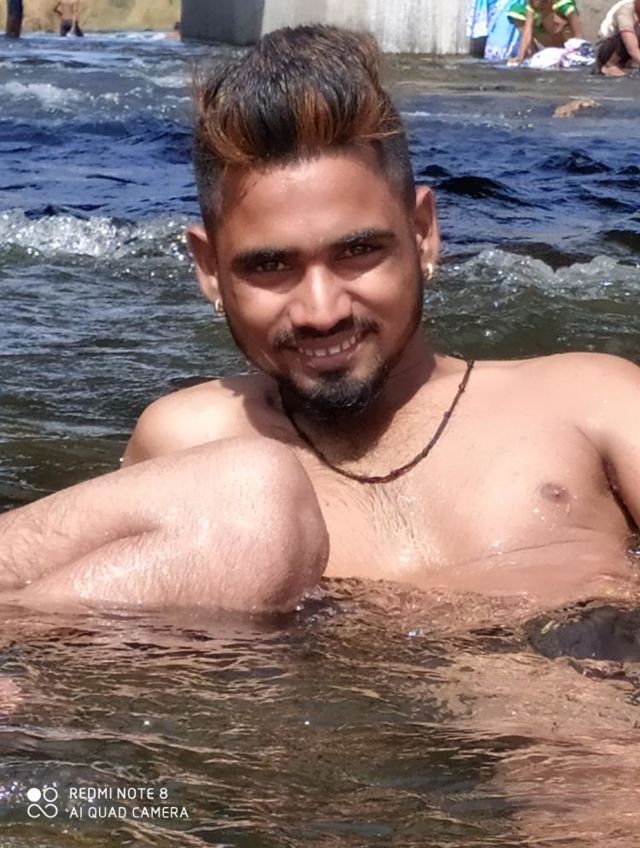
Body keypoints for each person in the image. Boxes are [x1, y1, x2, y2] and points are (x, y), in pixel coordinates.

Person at [1, 25, 640, 617]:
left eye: (358, 252)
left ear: (423, 234)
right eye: (269, 266)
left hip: (590, 698)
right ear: (209, 269)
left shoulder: (590, 403)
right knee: (253, 491)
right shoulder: (194, 443)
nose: (321, 311)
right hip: (302, 702)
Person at [508, 0, 583, 63]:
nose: (540, 12)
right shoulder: (534, 5)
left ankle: (561, 50)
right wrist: (521, 56)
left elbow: (578, 34)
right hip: (547, 35)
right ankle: (532, 53)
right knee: (516, 11)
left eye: (542, 9)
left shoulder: (564, 4)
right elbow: (527, 32)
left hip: (566, 38)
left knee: (547, 18)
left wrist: (577, 48)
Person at [594, 0, 640, 75]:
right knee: (628, 37)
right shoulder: (625, 12)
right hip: (607, 48)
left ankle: (625, 65)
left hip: (630, 42)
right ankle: (610, 66)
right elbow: (632, 49)